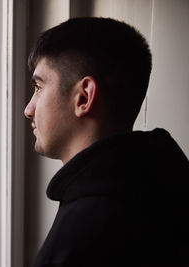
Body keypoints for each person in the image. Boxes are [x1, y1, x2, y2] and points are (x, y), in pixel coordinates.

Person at [24, 17, 189, 267]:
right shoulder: (169, 191)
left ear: (84, 97)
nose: (28, 109)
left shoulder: (82, 236)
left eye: (38, 87)